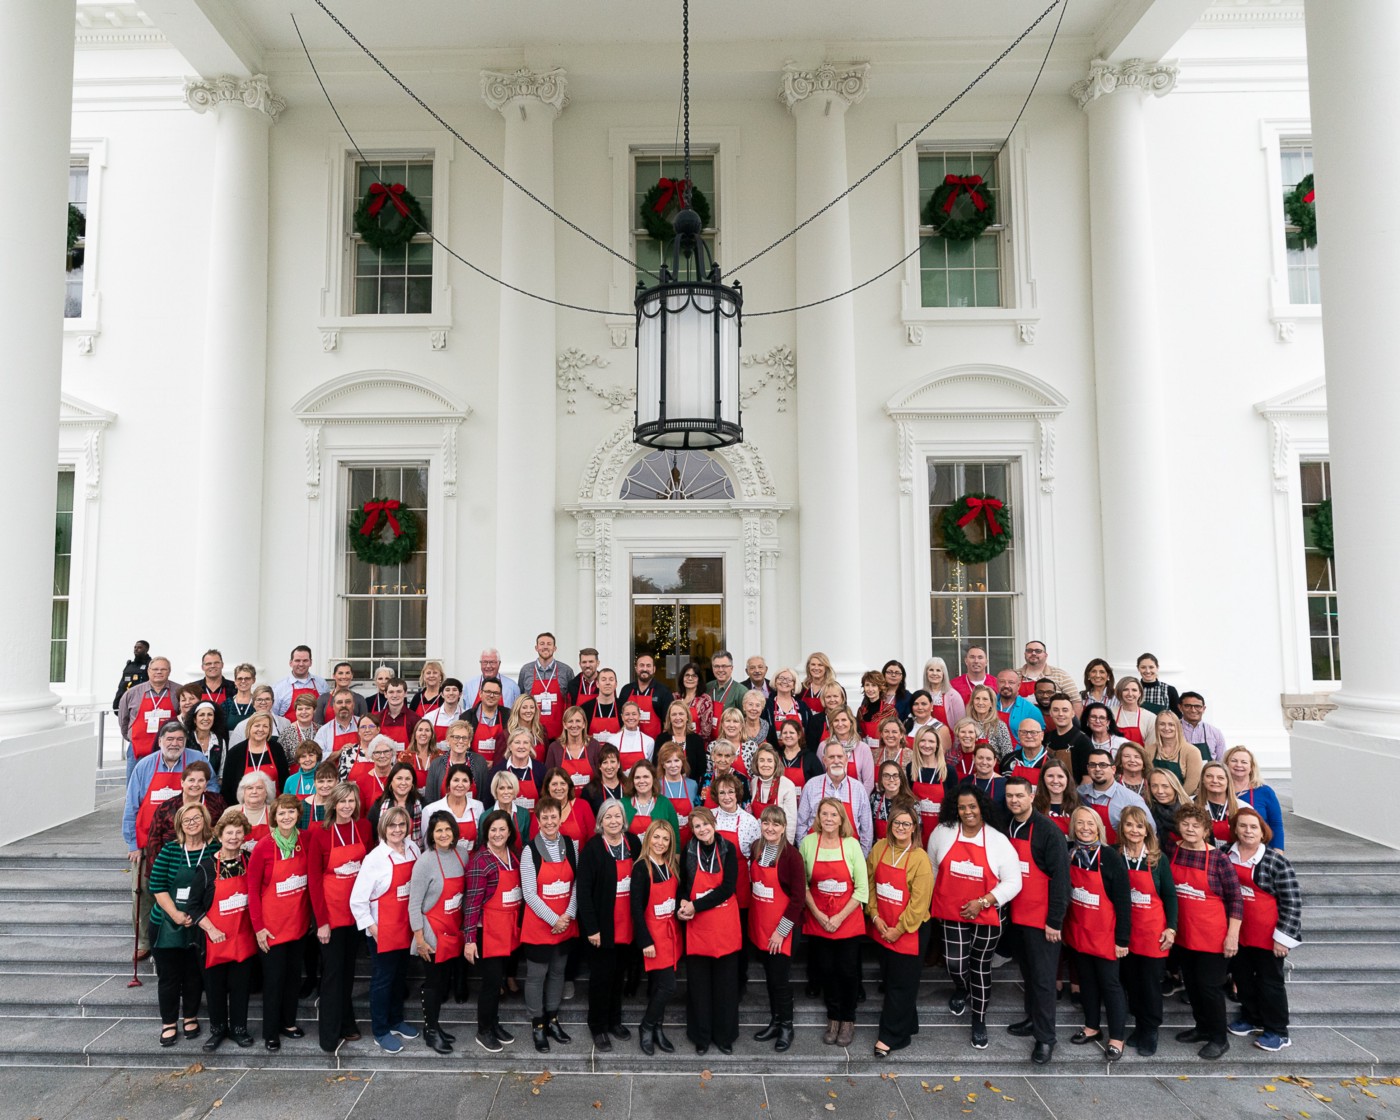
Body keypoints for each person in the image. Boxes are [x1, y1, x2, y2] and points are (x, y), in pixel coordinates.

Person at [929, 786, 1021, 1049]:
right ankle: (962, 988)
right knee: (956, 964)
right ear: (954, 809)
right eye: (962, 807)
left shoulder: (997, 840)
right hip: (952, 912)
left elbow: (1014, 882)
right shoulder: (943, 833)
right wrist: (936, 899)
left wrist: (982, 902)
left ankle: (979, 1020)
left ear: (982, 807)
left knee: (979, 966)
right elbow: (932, 867)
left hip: (987, 914)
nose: (967, 812)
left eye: (972, 806)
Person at [124, 721, 216, 958]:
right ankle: (145, 940)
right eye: (170, 739)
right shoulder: (145, 766)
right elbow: (132, 805)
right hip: (151, 841)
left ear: (186, 742)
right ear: (161, 741)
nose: (174, 744)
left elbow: (212, 790)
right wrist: (133, 843)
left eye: (179, 740)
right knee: (144, 890)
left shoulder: (197, 760)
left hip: (195, 845)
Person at [1002, 775, 1069, 1065]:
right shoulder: (1009, 825)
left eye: (1019, 795)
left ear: (1031, 797)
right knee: (1028, 974)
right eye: (1009, 796)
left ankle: (1045, 1039)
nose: (1014, 800)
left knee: (1043, 980)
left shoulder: (1048, 831)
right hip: (1017, 914)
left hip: (1042, 919)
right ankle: (1032, 1019)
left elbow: (1061, 880)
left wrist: (1055, 920)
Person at [1170, 802, 1244, 1059]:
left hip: (1213, 937)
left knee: (1209, 989)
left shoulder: (1219, 858)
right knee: (1192, 985)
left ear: (1205, 830)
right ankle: (1201, 1028)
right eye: (1185, 824)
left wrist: (1232, 935)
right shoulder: (1174, 851)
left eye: (1196, 825)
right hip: (1184, 935)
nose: (1190, 829)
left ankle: (1219, 1038)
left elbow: (1236, 899)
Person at [1226, 806, 1302, 1052]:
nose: (1248, 831)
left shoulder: (1275, 860)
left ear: (1262, 832)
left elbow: (1292, 901)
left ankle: (1278, 1031)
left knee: (1270, 984)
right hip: (1239, 933)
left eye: (1253, 827)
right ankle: (1251, 1018)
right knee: (1243, 979)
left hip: (1268, 936)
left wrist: (1283, 938)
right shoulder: (1227, 855)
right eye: (1243, 826)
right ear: (1235, 829)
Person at [1062, 806, 1131, 1061]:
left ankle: (1116, 1037)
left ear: (1099, 827)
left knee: (1110, 985)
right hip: (1079, 930)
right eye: (1080, 824)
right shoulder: (1068, 853)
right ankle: (1092, 1027)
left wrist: (1122, 939)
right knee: (1087, 982)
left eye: (1090, 824)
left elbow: (1124, 902)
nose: (1085, 828)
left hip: (1106, 935)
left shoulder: (1110, 857)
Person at [350, 804, 421, 1053]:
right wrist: (373, 928)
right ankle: (380, 1030)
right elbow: (357, 900)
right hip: (383, 929)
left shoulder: (413, 848)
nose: (398, 830)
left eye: (402, 825)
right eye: (392, 825)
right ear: (384, 827)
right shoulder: (374, 859)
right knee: (383, 979)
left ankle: (396, 1020)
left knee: (400, 976)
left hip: (406, 926)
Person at [799, 796, 868, 1048]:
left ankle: (848, 1020)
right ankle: (833, 1017)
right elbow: (803, 884)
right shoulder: (808, 843)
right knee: (826, 970)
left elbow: (862, 889)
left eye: (833, 815)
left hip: (846, 919)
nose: (828, 819)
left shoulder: (851, 845)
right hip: (819, 918)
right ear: (818, 817)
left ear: (841, 820)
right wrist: (818, 915)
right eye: (824, 814)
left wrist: (838, 917)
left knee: (848, 972)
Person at [866, 802, 933, 1057]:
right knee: (891, 979)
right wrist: (874, 916)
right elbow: (870, 883)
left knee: (900, 985)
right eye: (897, 823)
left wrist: (899, 929)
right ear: (890, 824)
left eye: (907, 823)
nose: (901, 828)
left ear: (914, 827)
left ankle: (891, 1036)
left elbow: (919, 902)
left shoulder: (919, 858)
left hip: (910, 930)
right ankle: (909, 1024)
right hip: (882, 925)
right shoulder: (879, 848)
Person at [148, 803, 218, 1046]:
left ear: (205, 820)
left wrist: (198, 916)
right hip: (167, 923)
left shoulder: (215, 849)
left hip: (200, 923)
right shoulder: (169, 851)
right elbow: (156, 886)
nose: (192, 823)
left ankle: (190, 1016)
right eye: (186, 820)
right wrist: (177, 914)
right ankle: (169, 1022)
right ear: (179, 825)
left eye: (196, 818)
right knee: (169, 976)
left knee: (193, 975)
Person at [308, 782, 370, 1052]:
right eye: (342, 801)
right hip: (331, 915)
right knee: (333, 974)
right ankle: (329, 1034)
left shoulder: (365, 828)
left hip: (355, 913)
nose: (347, 806)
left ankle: (347, 1021)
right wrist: (321, 921)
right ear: (332, 803)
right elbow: (313, 881)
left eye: (351, 801)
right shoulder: (318, 834)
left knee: (348, 971)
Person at [248, 793, 312, 1051]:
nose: (287, 817)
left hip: (298, 922)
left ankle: (288, 1022)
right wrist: (258, 928)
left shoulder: (306, 840)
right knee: (274, 981)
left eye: (291, 812)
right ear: (274, 817)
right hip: (271, 927)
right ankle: (270, 1031)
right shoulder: (263, 846)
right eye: (281, 813)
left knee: (293, 978)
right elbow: (252, 891)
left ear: (299, 814)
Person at [191, 808, 257, 1051]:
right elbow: (192, 906)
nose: (234, 837)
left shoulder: (250, 861)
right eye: (229, 832)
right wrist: (210, 929)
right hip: (215, 941)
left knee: (241, 987)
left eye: (239, 832)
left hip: (244, 937)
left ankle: (239, 1029)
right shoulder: (206, 868)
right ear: (220, 835)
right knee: (215, 988)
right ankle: (218, 1029)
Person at [576, 800, 641, 1051]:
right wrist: (592, 928)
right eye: (608, 817)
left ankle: (615, 1021)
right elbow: (584, 893)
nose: (613, 821)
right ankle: (598, 1026)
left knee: (618, 977)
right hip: (603, 927)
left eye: (617, 816)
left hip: (628, 924)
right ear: (600, 821)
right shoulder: (593, 849)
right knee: (601, 978)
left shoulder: (633, 843)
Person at [679, 806, 742, 1054]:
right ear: (692, 830)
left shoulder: (728, 849)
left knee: (726, 986)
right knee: (699, 985)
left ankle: (725, 1036)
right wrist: (683, 903)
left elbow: (727, 888)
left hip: (724, 923)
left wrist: (695, 905)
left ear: (713, 824)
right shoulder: (689, 850)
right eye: (697, 826)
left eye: (705, 824)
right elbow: (684, 884)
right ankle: (701, 1037)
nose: (702, 829)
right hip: (698, 927)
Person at [1116, 803, 1177, 1057]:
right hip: (1126, 931)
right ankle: (1139, 1026)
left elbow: (1171, 896)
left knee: (1151, 983)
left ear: (1147, 830)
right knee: (1132, 981)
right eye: (1129, 824)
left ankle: (1150, 1029)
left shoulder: (1157, 859)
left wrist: (1171, 929)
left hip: (1153, 930)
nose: (1133, 830)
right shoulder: (1115, 855)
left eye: (1139, 825)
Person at [409, 809, 471, 1053]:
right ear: (431, 836)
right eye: (438, 831)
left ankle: (435, 1025)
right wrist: (420, 939)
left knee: (444, 981)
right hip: (431, 931)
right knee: (434, 983)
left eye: (447, 829)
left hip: (453, 927)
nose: (444, 834)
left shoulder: (462, 854)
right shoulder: (425, 861)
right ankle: (431, 1030)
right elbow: (414, 904)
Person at [520, 796, 579, 1052]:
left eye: (553, 816)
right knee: (536, 977)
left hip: (565, 923)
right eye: (544, 817)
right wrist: (554, 919)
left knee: (558, 973)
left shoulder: (570, 845)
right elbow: (529, 893)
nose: (549, 821)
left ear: (560, 818)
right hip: (540, 925)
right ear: (538, 820)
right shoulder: (529, 851)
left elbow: (576, 883)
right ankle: (538, 1023)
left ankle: (553, 1017)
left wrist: (568, 915)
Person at [463, 809, 522, 1053]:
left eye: (502, 829)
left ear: (510, 832)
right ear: (486, 832)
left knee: (498, 979)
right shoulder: (481, 860)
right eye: (493, 830)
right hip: (487, 931)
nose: (498, 834)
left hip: (508, 927)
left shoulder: (513, 855)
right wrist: (468, 939)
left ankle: (494, 1023)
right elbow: (472, 901)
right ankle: (484, 1029)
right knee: (490, 984)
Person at [747, 805, 805, 1052]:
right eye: (766, 823)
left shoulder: (792, 857)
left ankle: (786, 1027)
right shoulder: (757, 849)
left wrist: (781, 932)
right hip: (761, 923)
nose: (770, 828)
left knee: (780, 980)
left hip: (782, 930)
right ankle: (775, 1021)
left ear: (784, 828)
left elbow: (798, 899)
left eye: (776, 824)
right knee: (770, 978)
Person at [630, 819, 681, 1055]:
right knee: (668, 986)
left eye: (665, 839)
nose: (660, 843)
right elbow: (636, 910)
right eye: (656, 837)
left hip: (671, 932)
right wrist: (645, 941)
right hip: (654, 935)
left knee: (660, 984)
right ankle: (647, 1026)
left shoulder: (670, 864)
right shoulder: (641, 868)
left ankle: (658, 1029)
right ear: (648, 838)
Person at [144, 761, 225, 871]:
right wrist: (156, 871)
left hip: (209, 863)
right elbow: (154, 841)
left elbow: (225, 830)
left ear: (206, 784)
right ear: (182, 782)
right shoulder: (166, 807)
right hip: (174, 865)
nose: (195, 785)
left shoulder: (217, 802)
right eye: (191, 780)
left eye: (201, 780)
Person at [796, 747, 874, 854]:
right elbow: (801, 824)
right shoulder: (811, 786)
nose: (836, 761)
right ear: (824, 760)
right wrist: (805, 853)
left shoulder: (858, 788)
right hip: (816, 853)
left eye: (840, 757)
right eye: (831, 757)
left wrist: (861, 856)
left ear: (846, 759)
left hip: (850, 855)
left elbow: (867, 830)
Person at [118, 655, 180, 778]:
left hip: (170, 751)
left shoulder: (179, 691)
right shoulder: (132, 693)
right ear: (148, 671)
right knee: (135, 787)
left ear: (169, 671)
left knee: (165, 786)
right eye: (155, 669)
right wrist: (132, 737)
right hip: (138, 750)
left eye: (163, 669)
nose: (159, 672)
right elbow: (123, 720)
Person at [1077, 747, 1153, 844]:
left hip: (1117, 855)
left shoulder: (1132, 799)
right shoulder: (1079, 793)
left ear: (1113, 769)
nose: (1097, 769)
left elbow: (1150, 831)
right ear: (1088, 769)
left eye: (1103, 765)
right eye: (1092, 765)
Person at [518, 632, 576, 744]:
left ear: (555, 648)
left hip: (560, 736)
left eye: (549, 644)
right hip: (532, 734)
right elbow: (521, 699)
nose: (545, 647)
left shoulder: (566, 671)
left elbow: (571, 702)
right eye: (542, 644)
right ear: (536, 647)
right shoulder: (526, 670)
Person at [1223, 745, 1285, 849]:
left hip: (1260, 850)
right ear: (1226, 765)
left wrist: (1278, 850)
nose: (1238, 765)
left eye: (1244, 762)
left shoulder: (1265, 792)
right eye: (1234, 761)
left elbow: (1276, 824)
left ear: (1251, 767)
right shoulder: (1219, 790)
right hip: (1225, 849)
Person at [223, 712, 291, 795]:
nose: (261, 729)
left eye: (265, 726)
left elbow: (284, 779)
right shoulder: (235, 752)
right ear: (249, 728)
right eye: (257, 726)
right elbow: (227, 786)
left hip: (274, 805)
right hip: (245, 805)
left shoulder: (276, 749)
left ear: (269, 730)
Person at [420, 763, 484, 850]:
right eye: (456, 780)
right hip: (443, 862)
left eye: (465, 781)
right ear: (448, 783)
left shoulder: (478, 807)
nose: (460, 785)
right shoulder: (430, 810)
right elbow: (428, 847)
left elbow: (480, 841)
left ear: (470, 785)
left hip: (472, 862)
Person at [425, 720, 491, 804]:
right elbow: (429, 798)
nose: (460, 741)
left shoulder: (479, 762)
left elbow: (484, 796)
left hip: (472, 814)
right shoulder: (436, 764)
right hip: (442, 815)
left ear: (469, 742)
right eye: (456, 737)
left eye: (464, 738)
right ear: (448, 740)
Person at [907, 725, 950, 846]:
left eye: (931, 741)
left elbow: (952, 804)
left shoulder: (947, 771)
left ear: (937, 745)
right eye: (923, 740)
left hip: (940, 831)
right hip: (916, 831)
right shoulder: (911, 768)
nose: (926, 745)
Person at [819, 707, 876, 794]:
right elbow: (819, 777)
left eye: (844, 720)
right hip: (829, 800)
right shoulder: (823, 746)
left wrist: (857, 801)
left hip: (856, 801)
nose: (840, 724)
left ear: (851, 722)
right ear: (831, 724)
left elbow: (869, 783)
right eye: (836, 720)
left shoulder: (863, 748)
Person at [535, 766, 596, 846]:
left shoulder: (583, 806)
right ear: (548, 788)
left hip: (581, 857)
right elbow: (535, 839)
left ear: (569, 786)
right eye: (554, 784)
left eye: (563, 783)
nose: (559, 788)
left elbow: (593, 839)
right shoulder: (540, 809)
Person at [748, 743, 798, 839]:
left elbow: (791, 822)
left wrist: (786, 847)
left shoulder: (787, 785)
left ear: (775, 763)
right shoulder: (754, 782)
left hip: (779, 841)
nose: (765, 765)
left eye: (769, 761)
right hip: (757, 839)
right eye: (761, 760)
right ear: (756, 763)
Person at [1147, 709, 1203, 794]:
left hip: (1182, 801)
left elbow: (1192, 784)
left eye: (1171, 724)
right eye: (1162, 724)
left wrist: (1177, 802)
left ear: (1177, 726)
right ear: (1156, 727)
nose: (1166, 728)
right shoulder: (1149, 750)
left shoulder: (1192, 752)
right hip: (1155, 800)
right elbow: (1146, 779)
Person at [619, 652, 673, 740]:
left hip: (655, 744)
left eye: (648, 666)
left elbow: (668, 722)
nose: (645, 669)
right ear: (636, 668)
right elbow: (620, 719)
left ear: (654, 669)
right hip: (629, 743)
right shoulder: (626, 690)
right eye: (641, 665)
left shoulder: (663, 691)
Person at [624, 760, 680, 841]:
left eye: (646, 777)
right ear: (632, 780)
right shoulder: (623, 804)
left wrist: (676, 853)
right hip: (630, 853)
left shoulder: (665, 803)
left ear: (653, 779)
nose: (641, 781)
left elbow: (675, 836)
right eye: (637, 777)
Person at [368, 762, 425, 841]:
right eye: (399, 778)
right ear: (391, 782)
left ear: (412, 783)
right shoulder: (379, 805)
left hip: (416, 851)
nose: (403, 783)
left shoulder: (423, 804)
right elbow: (372, 834)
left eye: (407, 779)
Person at [543, 705, 601, 783]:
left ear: (584, 724)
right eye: (570, 721)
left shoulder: (594, 746)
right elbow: (548, 780)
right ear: (564, 725)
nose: (574, 725)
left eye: (578, 721)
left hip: (590, 795)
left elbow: (601, 776)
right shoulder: (554, 748)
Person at [269, 645, 328, 720]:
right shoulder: (279, 687)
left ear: (310, 662)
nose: (301, 664)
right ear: (291, 663)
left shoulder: (321, 683)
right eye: (297, 660)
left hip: (318, 730)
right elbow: (273, 716)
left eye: (305, 660)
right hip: (288, 731)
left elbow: (326, 712)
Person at [657, 743, 700, 842]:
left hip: (690, 839)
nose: (673, 765)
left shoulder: (692, 784)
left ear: (682, 762)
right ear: (663, 764)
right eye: (668, 761)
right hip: (665, 840)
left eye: (676, 760)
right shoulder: (656, 786)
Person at [1045, 694, 1093, 782]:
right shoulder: (1046, 738)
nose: (1060, 714)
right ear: (1050, 713)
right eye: (1056, 710)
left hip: (1073, 794)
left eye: (1065, 710)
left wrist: (1074, 795)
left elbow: (1087, 779)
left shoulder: (1083, 741)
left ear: (1072, 713)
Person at [599, 699, 655, 774]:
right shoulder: (612, 741)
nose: (631, 717)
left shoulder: (649, 741)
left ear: (639, 716)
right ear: (622, 717)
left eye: (634, 714)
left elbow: (650, 769)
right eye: (627, 714)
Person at [1195, 761, 1241, 847]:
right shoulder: (1191, 804)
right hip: (1201, 856)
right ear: (1202, 780)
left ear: (1228, 781)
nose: (1215, 781)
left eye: (1220, 778)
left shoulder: (1242, 807)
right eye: (1209, 776)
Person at [184, 700, 230, 783]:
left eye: (210, 715)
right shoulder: (186, 739)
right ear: (194, 719)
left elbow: (221, 774)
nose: (206, 718)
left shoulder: (220, 741)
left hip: (213, 790)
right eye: (201, 715)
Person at [464, 679, 509, 763]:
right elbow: (463, 744)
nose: (491, 695)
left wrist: (497, 762)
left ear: (500, 696)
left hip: (500, 768)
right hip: (473, 767)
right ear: (480, 693)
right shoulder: (467, 716)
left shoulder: (508, 716)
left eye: (496, 693)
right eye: (488, 692)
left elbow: (512, 743)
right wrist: (478, 763)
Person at [995, 670, 1044, 746]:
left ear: (1018, 686)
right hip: (989, 755)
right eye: (1002, 682)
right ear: (997, 684)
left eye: (1011, 682)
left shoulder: (1031, 710)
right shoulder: (988, 705)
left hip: (1017, 755)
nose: (1006, 685)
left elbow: (1039, 739)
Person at [1031, 758, 1079, 835]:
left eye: (1060, 776)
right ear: (1043, 779)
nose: (1055, 781)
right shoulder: (1033, 806)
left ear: (1067, 779)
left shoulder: (1079, 803)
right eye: (1050, 776)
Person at [315, 688, 362, 761]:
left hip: (360, 771)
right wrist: (340, 752)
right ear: (333, 706)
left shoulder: (364, 724)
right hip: (334, 772)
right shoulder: (324, 731)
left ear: (353, 705)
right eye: (339, 702)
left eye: (348, 702)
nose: (344, 705)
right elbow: (317, 756)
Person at [1147, 770, 1190, 850]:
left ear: (1175, 787)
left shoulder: (1190, 811)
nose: (1159, 791)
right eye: (1154, 786)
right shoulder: (1148, 811)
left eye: (1165, 786)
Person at [776, 717, 821, 792]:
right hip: (781, 802)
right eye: (784, 733)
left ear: (799, 735)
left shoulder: (810, 758)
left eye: (792, 733)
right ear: (781, 736)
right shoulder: (776, 757)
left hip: (804, 802)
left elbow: (819, 783)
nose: (788, 736)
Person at [966, 685, 1012, 758]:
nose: (980, 702)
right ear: (972, 702)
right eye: (977, 698)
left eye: (985, 699)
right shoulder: (966, 725)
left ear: (991, 703)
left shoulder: (999, 726)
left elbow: (1008, 756)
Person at [1178, 693, 1227, 762]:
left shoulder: (1215, 732)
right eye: (1188, 706)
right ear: (1180, 707)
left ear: (1203, 709)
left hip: (1208, 772)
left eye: (1197, 706)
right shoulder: (1172, 730)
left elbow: (1222, 762)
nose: (1193, 710)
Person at [676, 661, 717, 742]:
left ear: (699, 680)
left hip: (697, 745)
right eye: (687, 675)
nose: (690, 678)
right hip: (676, 743)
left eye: (694, 676)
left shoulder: (705, 700)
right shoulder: (675, 697)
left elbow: (706, 732)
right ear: (682, 678)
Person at [1113, 678, 1157, 750]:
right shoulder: (1110, 713)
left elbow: (1151, 749)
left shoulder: (1150, 717)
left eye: (1134, 690)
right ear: (1119, 692)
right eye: (1125, 690)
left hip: (1139, 760)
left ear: (1140, 693)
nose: (1130, 694)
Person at [921, 657, 967, 728]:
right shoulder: (920, 695)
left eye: (938, 670)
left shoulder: (954, 696)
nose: (934, 673)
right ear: (926, 673)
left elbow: (961, 725)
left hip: (948, 738)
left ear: (944, 674)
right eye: (931, 670)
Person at [706, 650, 748, 723]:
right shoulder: (708, 687)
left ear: (731, 668)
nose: (720, 670)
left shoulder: (741, 691)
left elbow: (746, 719)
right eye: (716, 666)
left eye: (724, 666)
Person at [767, 667, 809, 741]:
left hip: (799, 750)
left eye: (789, 680)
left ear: (794, 685)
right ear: (775, 682)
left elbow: (809, 729)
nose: (784, 681)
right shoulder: (767, 706)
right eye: (781, 678)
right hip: (773, 750)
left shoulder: (802, 706)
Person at [399, 717, 441, 790]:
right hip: (411, 797)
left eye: (427, 730)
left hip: (435, 797)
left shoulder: (439, 755)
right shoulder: (405, 756)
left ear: (432, 735)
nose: (423, 733)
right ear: (415, 734)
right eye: (420, 730)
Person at [581, 667, 623, 737]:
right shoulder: (585, 708)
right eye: (603, 680)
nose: (607, 683)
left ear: (616, 684)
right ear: (597, 684)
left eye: (611, 679)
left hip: (616, 748)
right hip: (592, 748)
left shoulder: (623, 708)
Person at [112, 639, 152, 712]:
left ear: (146, 649)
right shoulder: (130, 665)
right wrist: (116, 702)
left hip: (142, 702)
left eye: (139, 647)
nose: (136, 649)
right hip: (127, 701)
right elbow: (122, 685)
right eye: (135, 647)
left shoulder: (151, 665)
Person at [581, 744, 623, 813]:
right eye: (605, 762)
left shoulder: (628, 787)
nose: (609, 767)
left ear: (618, 764)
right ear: (599, 766)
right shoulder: (589, 791)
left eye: (612, 762)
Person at [374, 678, 415, 747]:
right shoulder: (377, 718)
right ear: (385, 694)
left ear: (405, 693)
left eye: (399, 691)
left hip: (408, 757)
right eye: (391, 692)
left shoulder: (414, 719)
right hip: (383, 757)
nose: (395, 695)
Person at [224, 664, 258, 731]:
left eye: (247, 678)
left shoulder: (258, 703)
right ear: (235, 681)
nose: (243, 681)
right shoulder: (226, 705)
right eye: (239, 678)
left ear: (254, 680)